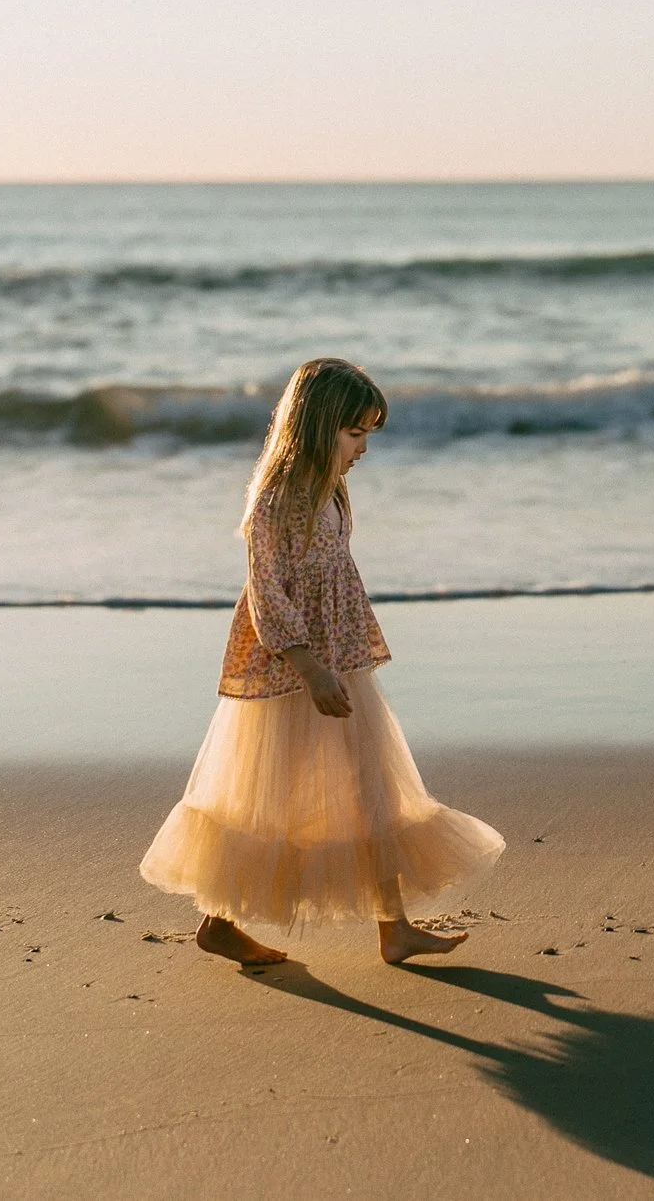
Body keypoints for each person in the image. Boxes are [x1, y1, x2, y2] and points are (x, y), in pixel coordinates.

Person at [141, 357, 503, 965]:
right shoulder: (277, 501)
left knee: (372, 785)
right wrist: (308, 667)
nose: (363, 448)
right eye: (355, 433)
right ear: (316, 428)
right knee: (269, 793)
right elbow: (266, 588)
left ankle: (395, 926)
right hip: (292, 667)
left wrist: (338, 657)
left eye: (368, 434)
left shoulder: (331, 493)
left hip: (339, 656)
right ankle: (219, 921)